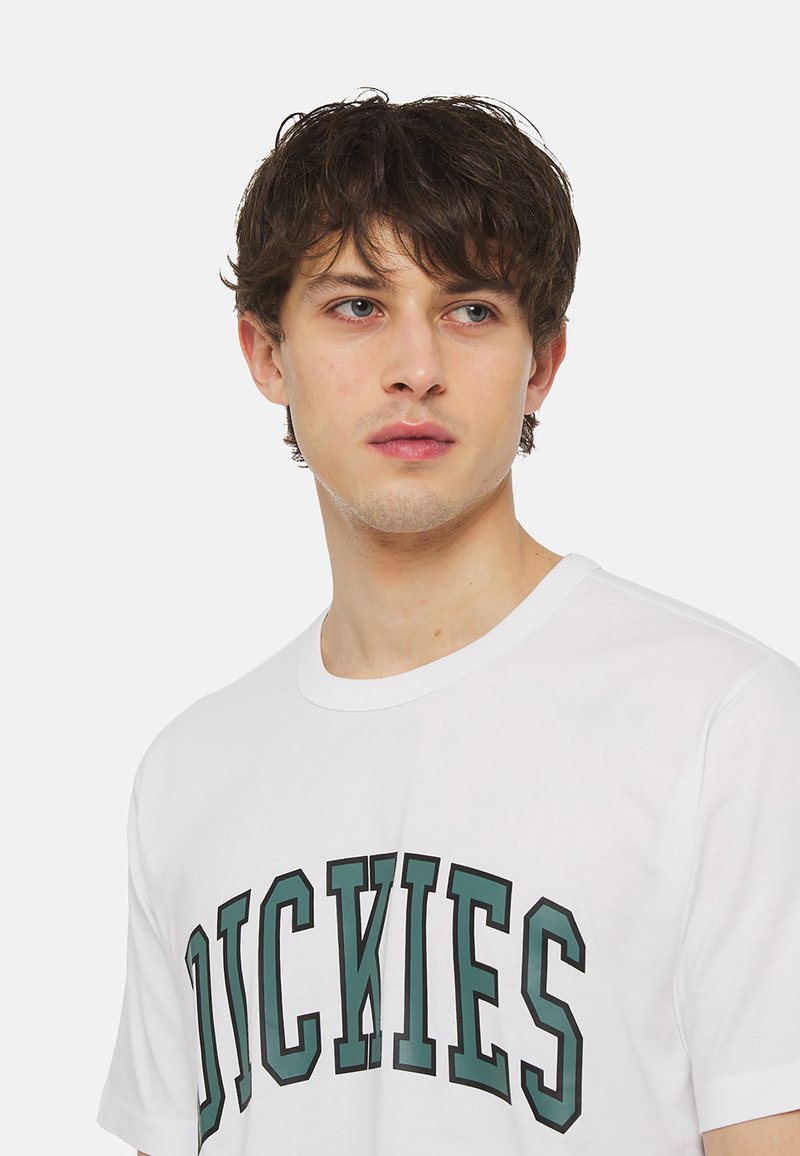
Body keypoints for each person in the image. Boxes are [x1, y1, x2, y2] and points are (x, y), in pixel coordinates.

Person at [98, 93, 800, 1156]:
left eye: (471, 309)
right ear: (266, 353)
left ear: (542, 363)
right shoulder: (189, 774)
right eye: (356, 305)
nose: (415, 367)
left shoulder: (725, 726)